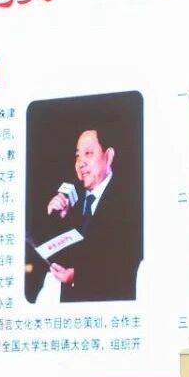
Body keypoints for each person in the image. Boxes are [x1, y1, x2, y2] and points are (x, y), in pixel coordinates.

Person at [31, 128, 142, 302]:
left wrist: (76, 277)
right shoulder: (72, 201)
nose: (80, 163)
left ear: (108, 156)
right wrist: (55, 218)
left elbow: (125, 265)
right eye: (77, 156)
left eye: (88, 153)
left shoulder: (130, 202)